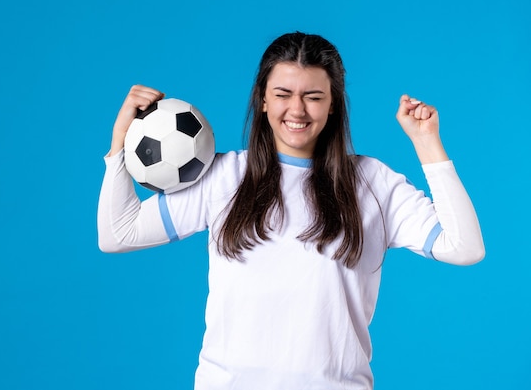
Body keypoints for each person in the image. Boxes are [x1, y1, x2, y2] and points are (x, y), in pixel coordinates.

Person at [97, 32, 485, 390]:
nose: (297, 109)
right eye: (283, 93)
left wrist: (426, 142)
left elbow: (465, 247)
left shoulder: (372, 183)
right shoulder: (223, 176)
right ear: (262, 100)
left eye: (314, 96)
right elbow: (119, 234)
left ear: (333, 104)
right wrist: (120, 143)